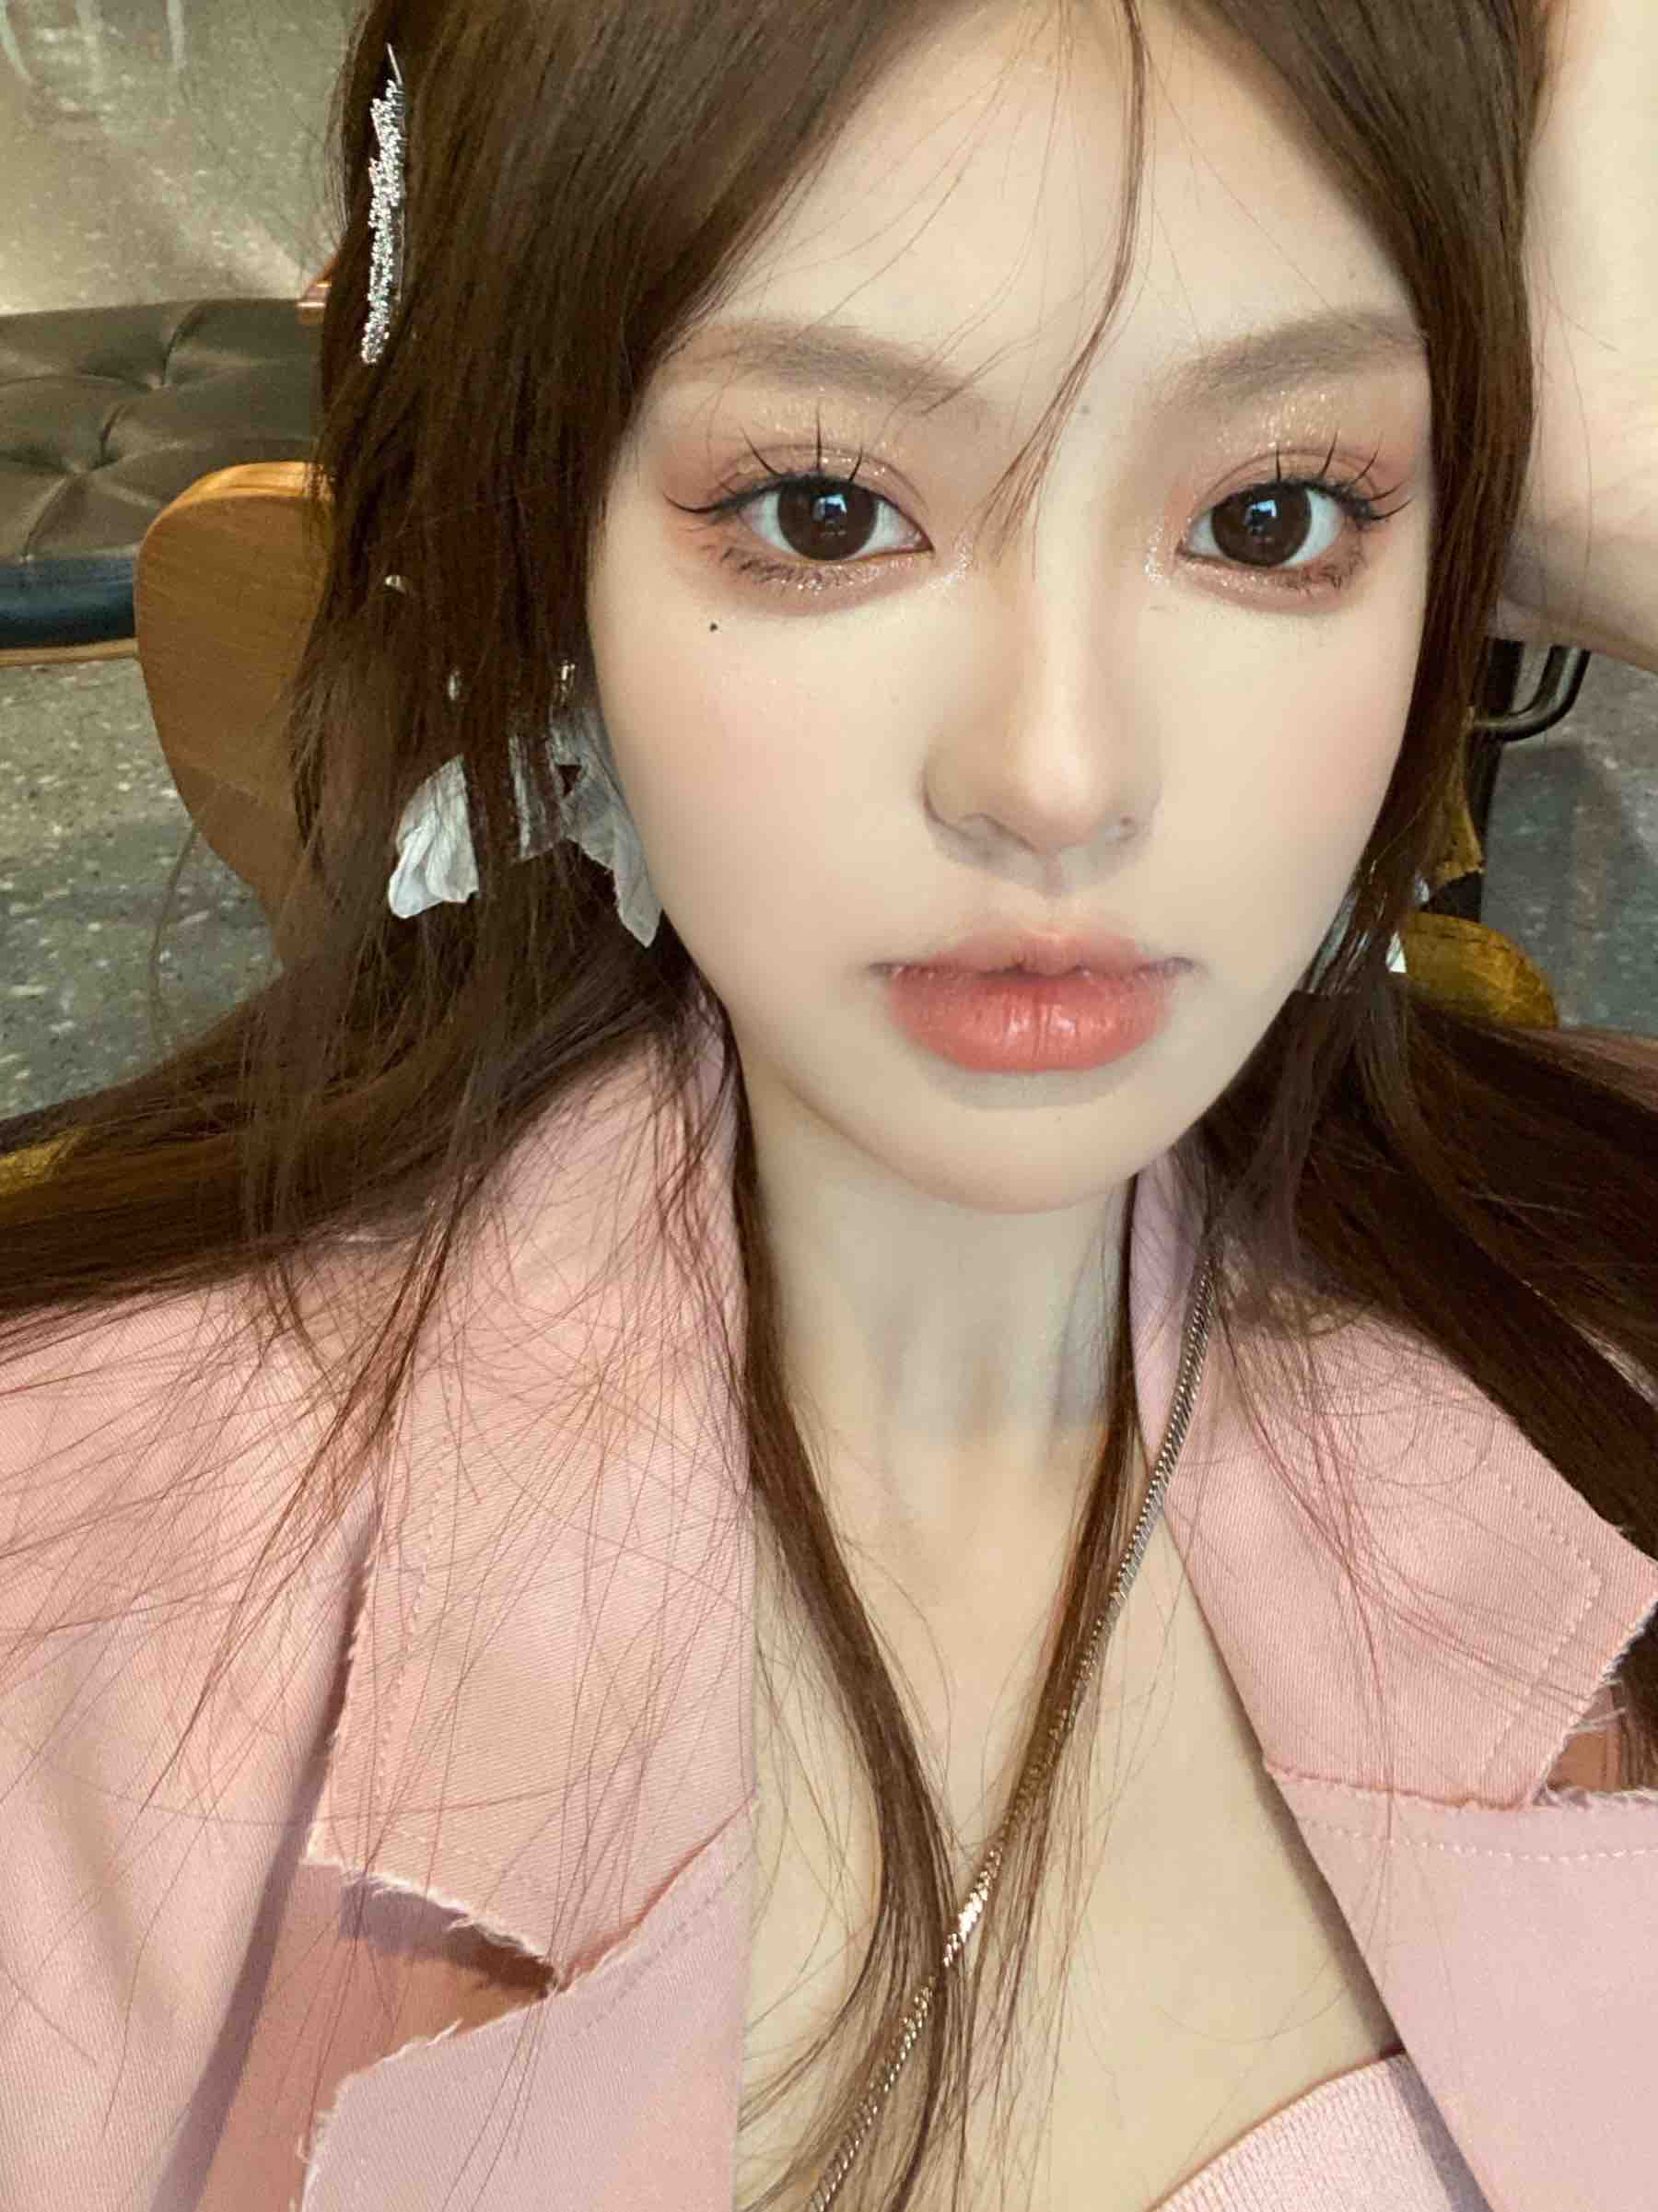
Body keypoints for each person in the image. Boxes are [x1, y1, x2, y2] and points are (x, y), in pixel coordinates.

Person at [2, 1, 1656, 2207]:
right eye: (825, 507)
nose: (1055, 774)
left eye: (1271, 515)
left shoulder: (1603, 1331)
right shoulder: (64, 1590)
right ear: (549, 551)